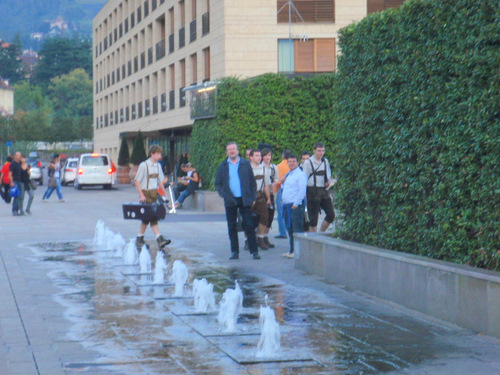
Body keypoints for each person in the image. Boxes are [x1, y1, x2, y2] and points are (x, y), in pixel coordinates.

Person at [215, 142, 260, 260]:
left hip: (244, 199)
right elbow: (218, 184)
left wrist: (253, 197)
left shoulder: (245, 164)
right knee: (232, 227)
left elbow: (252, 182)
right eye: (229, 149)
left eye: (233, 149)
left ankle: (254, 251)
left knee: (249, 225)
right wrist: (224, 195)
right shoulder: (223, 166)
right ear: (227, 152)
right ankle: (235, 251)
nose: (232, 151)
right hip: (230, 200)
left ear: (237, 150)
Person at [134, 145, 171, 253]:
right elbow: (137, 181)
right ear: (152, 154)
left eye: (160, 154)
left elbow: (160, 181)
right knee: (152, 216)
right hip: (146, 194)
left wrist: (165, 194)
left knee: (147, 217)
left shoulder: (158, 166)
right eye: (158, 154)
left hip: (154, 194)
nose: (160, 156)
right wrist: (141, 195)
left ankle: (139, 239)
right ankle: (159, 239)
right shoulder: (144, 165)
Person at [302, 142, 335, 232]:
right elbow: (304, 179)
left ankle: (321, 233)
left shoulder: (325, 161)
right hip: (312, 190)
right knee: (313, 220)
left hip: (323, 190)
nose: (321, 153)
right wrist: (304, 193)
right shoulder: (308, 163)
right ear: (314, 151)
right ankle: (313, 240)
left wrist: (330, 182)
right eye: (319, 151)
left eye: (323, 151)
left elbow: (328, 176)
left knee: (331, 214)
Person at [281, 154, 307, 258]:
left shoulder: (300, 175)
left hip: (295, 206)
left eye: (293, 161)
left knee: (297, 229)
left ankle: (298, 252)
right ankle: (292, 250)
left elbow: (302, 191)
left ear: (297, 163)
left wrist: (296, 204)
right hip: (287, 205)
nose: (291, 163)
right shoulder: (289, 174)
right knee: (290, 229)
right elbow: (286, 188)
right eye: (290, 162)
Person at [249, 149, 270, 250]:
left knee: (264, 217)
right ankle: (248, 241)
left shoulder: (264, 168)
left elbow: (266, 185)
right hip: (249, 196)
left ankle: (260, 239)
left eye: (259, 155)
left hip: (261, 196)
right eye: (256, 155)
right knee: (248, 219)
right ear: (251, 157)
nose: (259, 157)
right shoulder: (247, 169)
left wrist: (268, 198)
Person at [261, 148, 279, 248]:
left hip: (271, 194)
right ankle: (260, 237)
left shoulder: (274, 167)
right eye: (266, 155)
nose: (268, 157)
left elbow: (276, 179)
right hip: (261, 194)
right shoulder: (260, 167)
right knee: (262, 216)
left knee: (270, 216)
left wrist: (274, 183)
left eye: (269, 155)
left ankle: (266, 237)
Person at [274, 149, 291, 239]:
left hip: (282, 189)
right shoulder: (293, 165)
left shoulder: (278, 166)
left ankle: (282, 232)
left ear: (283, 156)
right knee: (290, 211)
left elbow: (278, 181)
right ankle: (290, 230)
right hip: (291, 190)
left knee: (281, 211)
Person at [9, 152, 23, 216]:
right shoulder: (13, 164)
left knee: (20, 196)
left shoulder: (20, 163)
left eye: (19, 155)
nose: (19, 157)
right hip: (15, 181)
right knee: (16, 196)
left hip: (20, 181)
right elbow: (10, 174)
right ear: (14, 156)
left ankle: (18, 209)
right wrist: (11, 182)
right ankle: (14, 210)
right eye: (17, 155)